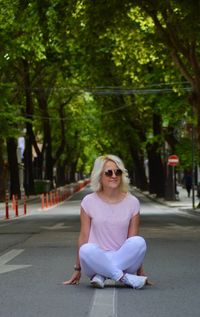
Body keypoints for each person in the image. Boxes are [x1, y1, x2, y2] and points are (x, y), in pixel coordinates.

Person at [63, 154, 150, 289]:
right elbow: (84, 236)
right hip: (95, 260)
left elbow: (131, 239)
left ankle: (102, 275)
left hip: (125, 260)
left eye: (118, 172)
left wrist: (140, 269)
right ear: (99, 176)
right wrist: (77, 269)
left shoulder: (132, 202)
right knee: (86, 249)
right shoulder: (88, 201)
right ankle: (124, 278)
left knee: (139, 241)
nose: (114, 176)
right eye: (109, 172)